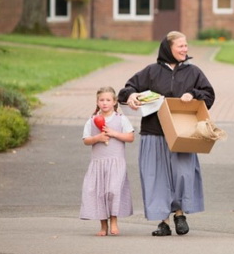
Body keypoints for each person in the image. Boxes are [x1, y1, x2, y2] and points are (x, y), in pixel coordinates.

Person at [118, 31, 215, 236]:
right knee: (156, 177)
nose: (185, 49)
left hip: (183, 135)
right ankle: (163, 222)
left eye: (186, 45)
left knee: (182, 174)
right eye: (180, 46)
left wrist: (194, 94)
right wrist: (133, 95)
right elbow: (126, 90)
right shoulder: (152, 71)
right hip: (154, 133)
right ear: (168, 48)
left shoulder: (193, 72)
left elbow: (209, 95)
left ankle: (179, 214)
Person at [80, 86, 135, 236]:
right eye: (101, 100)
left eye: (108, 100)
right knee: (99, 193)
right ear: (97, 102)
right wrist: (97, 138)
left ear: (114, 102)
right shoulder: (92, 121)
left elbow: (130, 137)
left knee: (113, 191)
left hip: (116, 163)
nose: (104, 103)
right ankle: (103, 226)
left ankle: (114, 222)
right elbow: (86, 140)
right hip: (98, 164)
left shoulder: (120, 119)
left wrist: (114, 133)